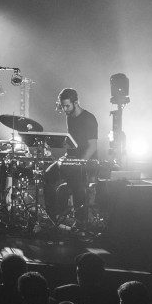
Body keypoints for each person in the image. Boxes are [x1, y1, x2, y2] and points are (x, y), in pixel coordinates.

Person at [46, 87, 100, 219]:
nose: (65, 109)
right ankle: (54, 216)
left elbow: (92, 147)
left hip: (87, 160)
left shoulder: (89, 118)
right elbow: (72, 141)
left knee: (77, 183)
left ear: (76, 102)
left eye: (67, 106)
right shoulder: (69, 117)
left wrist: (79, 163)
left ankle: (81, 222)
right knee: (48, 175)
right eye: (63, 106)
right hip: (71, 157)